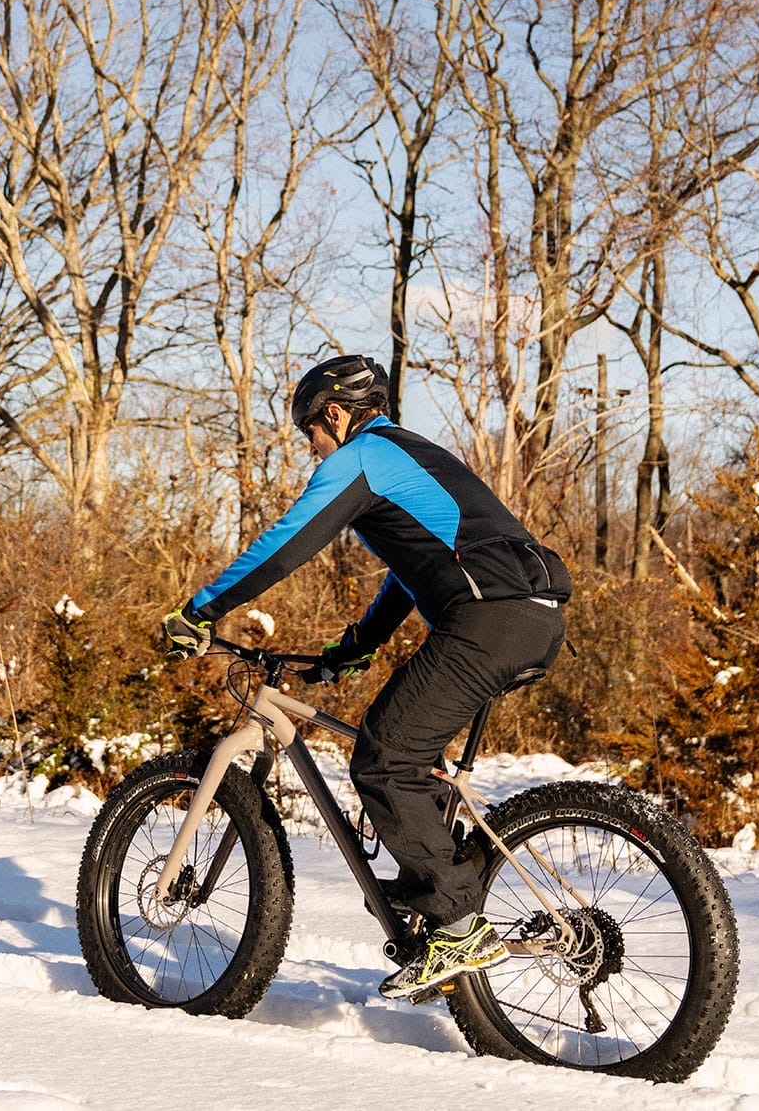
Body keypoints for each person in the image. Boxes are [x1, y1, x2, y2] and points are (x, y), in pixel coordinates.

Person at [161, 353, 570, 1000]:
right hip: (531, 617)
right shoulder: (407, 457)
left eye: (310, 433)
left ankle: (458, 923)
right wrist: (355, 645)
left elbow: (287, 542)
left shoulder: (360, 458)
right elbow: (416, 573)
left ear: (334, 412)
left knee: (384, 757)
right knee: (416, 756)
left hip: (491, 617)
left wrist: (201, 609)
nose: (312, 447)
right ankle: (435, 917)